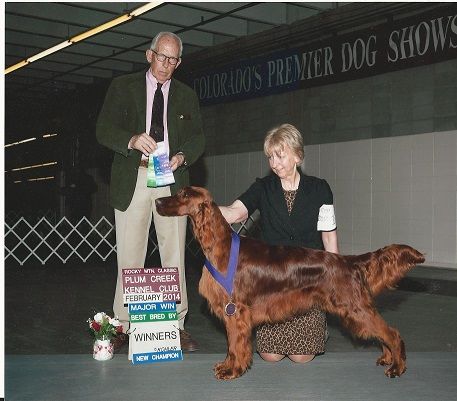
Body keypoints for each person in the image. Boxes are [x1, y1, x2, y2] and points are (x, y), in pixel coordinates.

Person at [96, 32, 205, 352]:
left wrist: (183, 156)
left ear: (179, 62)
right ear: (148, 55)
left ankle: (177, 325)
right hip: (135, 176)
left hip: (170, 179)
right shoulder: (122, 87)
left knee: (175, 256)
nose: (166, 65)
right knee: (129, 257)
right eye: (161, 57)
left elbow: (198, 137)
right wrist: (130, 140)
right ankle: (123, 326)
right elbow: (103, 129)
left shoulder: (187, 95)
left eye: (173, 60)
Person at [219, 123, 338, 363]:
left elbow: (329, 235)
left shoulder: (320, 189)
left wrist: (335, 275)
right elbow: (233, 212)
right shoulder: (263, 188)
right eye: (270, 157)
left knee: (300, 357)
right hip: (272, 283)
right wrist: (201, 208)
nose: (274, 163)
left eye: (280, 155)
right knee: (270, 356)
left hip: (308, 279)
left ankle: (319, 328)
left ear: (297, 155)